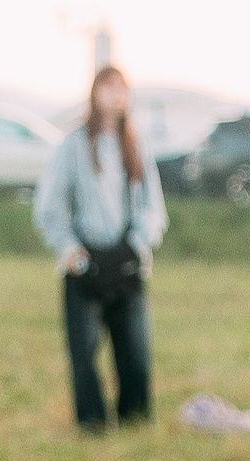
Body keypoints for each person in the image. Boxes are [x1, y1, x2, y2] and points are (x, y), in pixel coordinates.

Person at [33, 65, 166, 432]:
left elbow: (153, 208)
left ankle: (134, 421)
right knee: (85, 353)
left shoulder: (136, 145)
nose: (115, 95)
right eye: (107, 87)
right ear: (94, 93)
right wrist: (70, 250)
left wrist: (136, 247)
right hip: (85, 264)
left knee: (134, 351)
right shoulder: (73, 144)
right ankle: (91, 423)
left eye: (121, 88)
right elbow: (50, 207)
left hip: (126, 263)